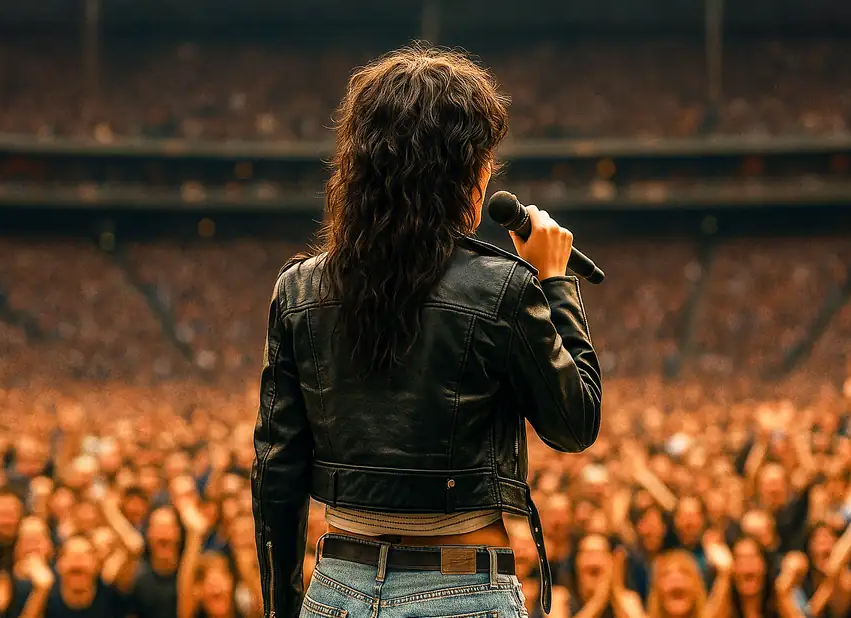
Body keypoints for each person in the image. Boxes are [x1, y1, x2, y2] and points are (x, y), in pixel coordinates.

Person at [251, 43, 601, 618]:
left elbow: (276, 473)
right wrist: (556, 282)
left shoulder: (299, 290)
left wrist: (282, 609)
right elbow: (575, 423)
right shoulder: (502, 289)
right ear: (461, 168)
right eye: (485, 159)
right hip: (464, 588)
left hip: (338, 588)